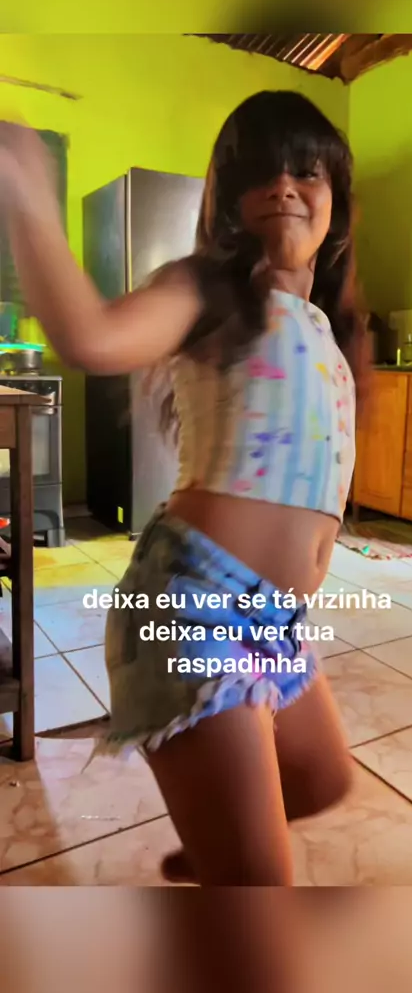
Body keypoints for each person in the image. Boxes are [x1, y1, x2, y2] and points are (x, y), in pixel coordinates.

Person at [0, 91, 370, 886]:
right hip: (191, 602)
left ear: (336, 206)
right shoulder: (209, 290)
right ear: (228, 204)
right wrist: (25, 183)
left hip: (275, 621)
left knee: (322, 782)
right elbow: (90, 337)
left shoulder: (326, 328)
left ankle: (216, 850)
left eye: (306, 170)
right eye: (260, 172)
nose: (284, 184)